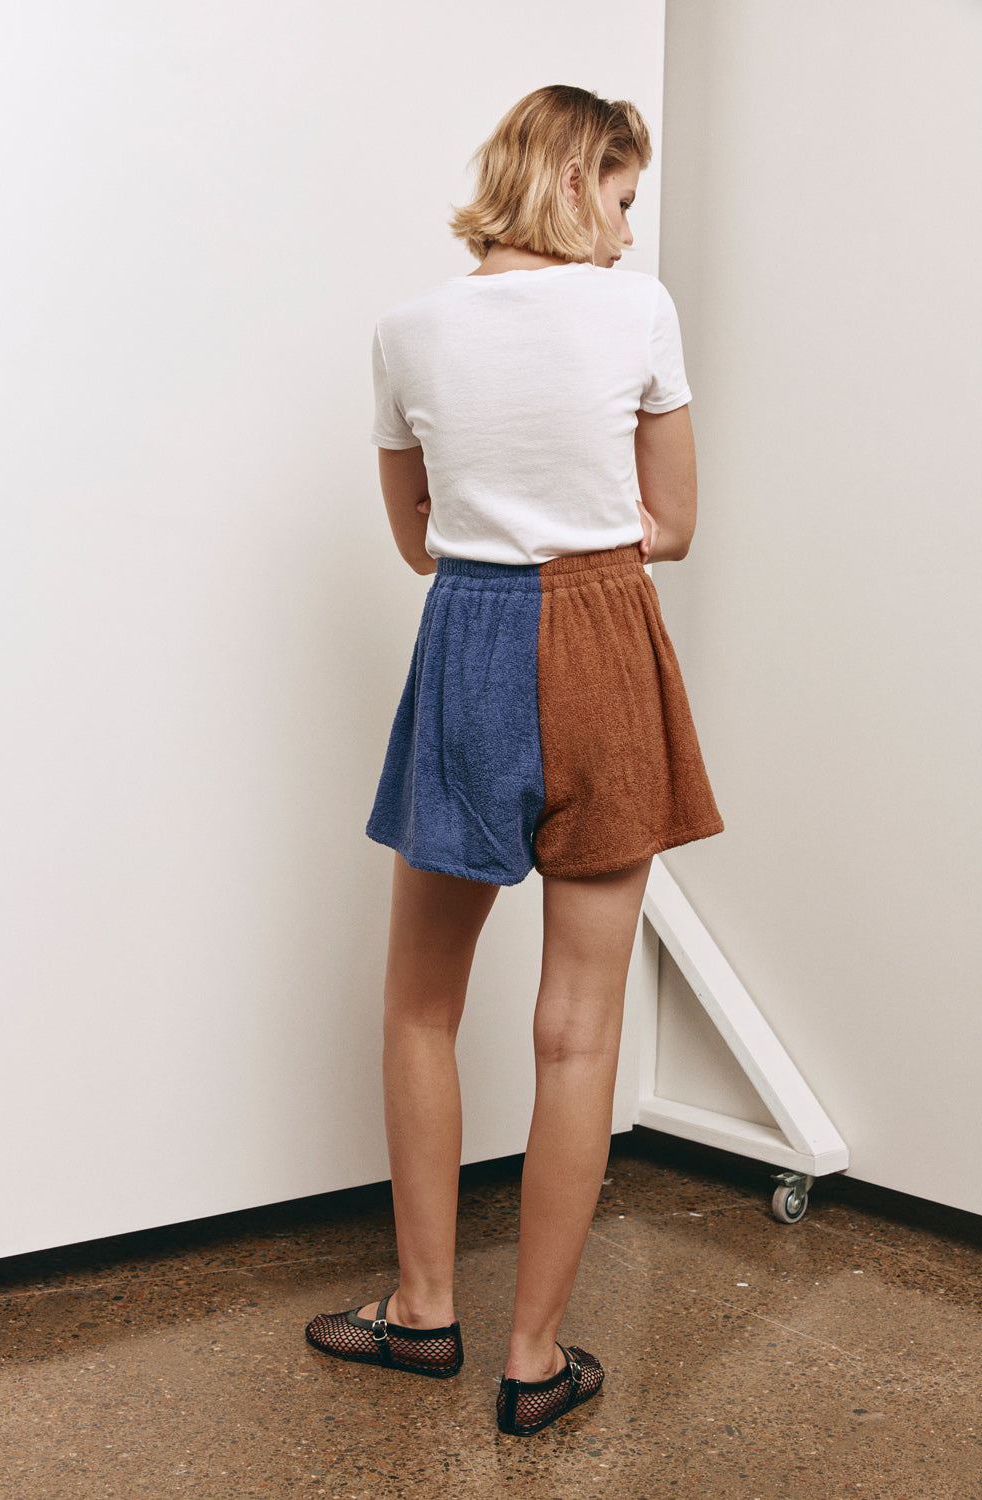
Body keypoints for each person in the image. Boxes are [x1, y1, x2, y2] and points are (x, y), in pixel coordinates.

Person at [305, 84, 723, 1437]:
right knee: (578, 1028)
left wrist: (498, 528)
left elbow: (414, 540)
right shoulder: (637, 312)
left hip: (471, 644)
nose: (626, 229)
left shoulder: (407, 330)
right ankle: (534, 1360)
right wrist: (584, 531)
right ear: (580, 177)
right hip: (604, 639)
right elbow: (673, 522)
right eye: (623, 196)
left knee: (421, 1007)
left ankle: (424, 1309)